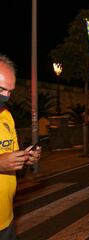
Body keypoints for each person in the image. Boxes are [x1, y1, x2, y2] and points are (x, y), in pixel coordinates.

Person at [0, 54, 41, 239]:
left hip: (6, 220)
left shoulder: (6, 116)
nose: (6, 96)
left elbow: (10, 155)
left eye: (10, 91)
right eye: (1, 89)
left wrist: (25, 157)